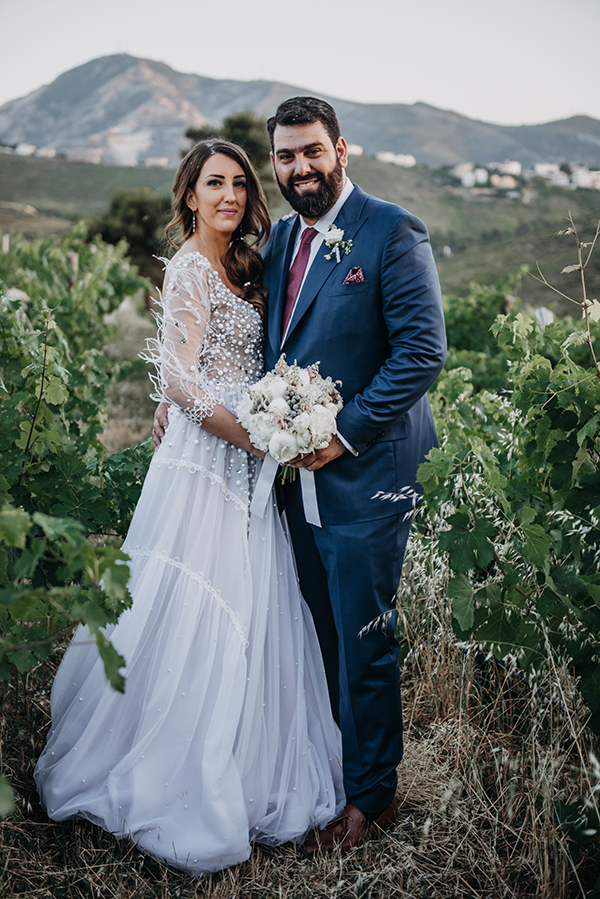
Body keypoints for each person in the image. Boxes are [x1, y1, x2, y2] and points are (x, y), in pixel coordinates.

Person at [34, 139, 345, 875]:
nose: (230, 196)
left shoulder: (251, 267)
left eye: (240, 183)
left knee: (256, 601)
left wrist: (279, 423)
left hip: (249, 467)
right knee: (194, 596)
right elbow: (178, 374)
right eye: (215, 184)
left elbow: (249, 362)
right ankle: (169, 765)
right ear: (189, 196)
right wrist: (253, 435)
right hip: (207, 461)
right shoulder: (187, 268)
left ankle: (250, 765)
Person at [154, 97, 447, 855]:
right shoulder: (281, 239)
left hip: (366, 473)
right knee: (316, 632)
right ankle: (326, 770)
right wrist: (171, 393)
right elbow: (234, 339)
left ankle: (371, 797)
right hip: (287, 480)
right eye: (284, 158)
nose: (298, 169)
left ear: (340, 150)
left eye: (311, 152)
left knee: (365, 637)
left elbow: (421, 353)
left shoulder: (391, 230)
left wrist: (340, 433)